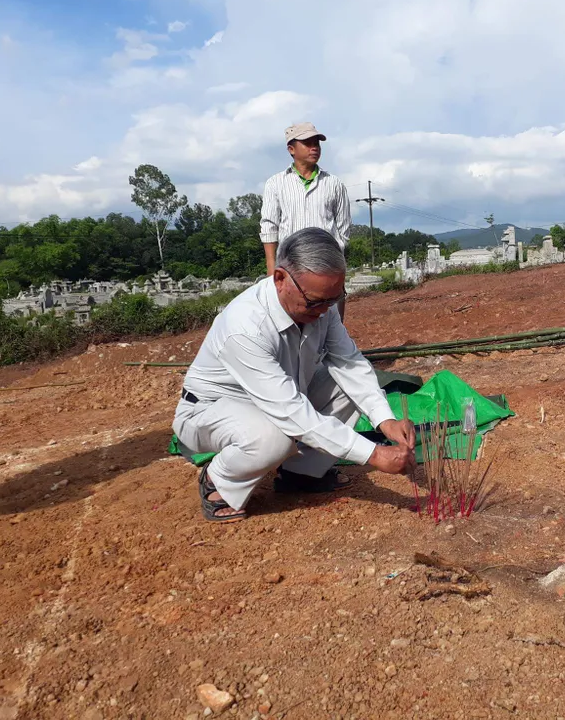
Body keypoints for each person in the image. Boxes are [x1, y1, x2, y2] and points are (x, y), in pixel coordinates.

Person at [173, 227, 415, 523]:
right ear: (280, 278)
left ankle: (302, 474)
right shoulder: (245, 327)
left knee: (346, 386)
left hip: (280, 396)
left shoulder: (322, 305)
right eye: (314, 302)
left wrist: (385, 421)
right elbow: (290, 412)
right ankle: (218, 480)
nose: (323, 311)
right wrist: (374, 454)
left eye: (333, 299)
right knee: (273, 438)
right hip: (208, 411)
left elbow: (349, 363)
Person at [260, 122, 352, 319]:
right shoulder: (276, 183)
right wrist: (271, 268)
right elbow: (269, 227)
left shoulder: (334, 184)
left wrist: (332, 262)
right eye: (308, 143)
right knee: (290, 320)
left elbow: (343, 230)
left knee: (330, 322)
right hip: (290, 267)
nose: (314, 148)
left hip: (326, 268)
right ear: (291, 149)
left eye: (316, 143)